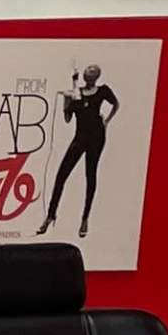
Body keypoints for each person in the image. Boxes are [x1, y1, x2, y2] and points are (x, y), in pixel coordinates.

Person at [42, 65, 120, 239]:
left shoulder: (103, 90)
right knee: (61, 175)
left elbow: (116, 104)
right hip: (80, 137)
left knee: (90, 175)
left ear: (96, 76)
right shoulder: (76, 94)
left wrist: (107, 121)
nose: (87, 73)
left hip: (97, 137)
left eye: (91, 72)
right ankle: (50, 215)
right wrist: (66, 100)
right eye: (86, 72)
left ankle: (85, 218)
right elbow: (68, 119)